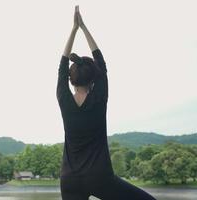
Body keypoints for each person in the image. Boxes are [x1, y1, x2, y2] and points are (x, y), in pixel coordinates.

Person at [56, 6, 157, 200]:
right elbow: (100, 61)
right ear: (93, 80)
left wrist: (74, 29)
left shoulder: (64, 99)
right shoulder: (98, 98)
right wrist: (83, 27)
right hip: (99, 177)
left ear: (70, 80)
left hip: (69, 179)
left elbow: (61, 64)